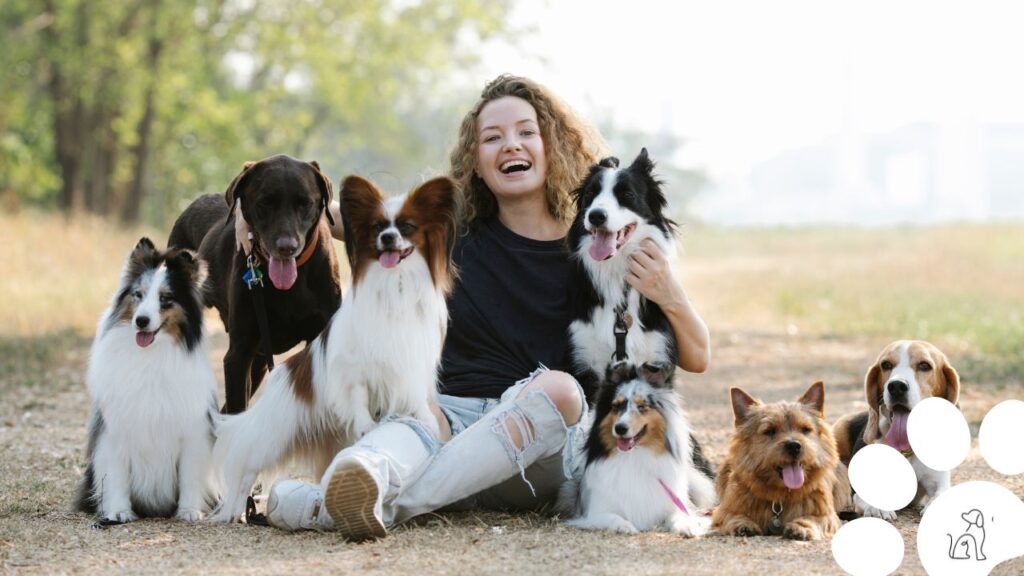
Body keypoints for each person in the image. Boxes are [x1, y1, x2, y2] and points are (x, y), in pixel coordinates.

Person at [254, 74, 711, 538]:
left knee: (560, 391)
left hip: (539, 444)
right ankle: (360, 483)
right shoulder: (446, 235)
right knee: (412, 416)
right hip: (445, 421)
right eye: (493, 138)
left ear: (550, 144)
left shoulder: (595, 249)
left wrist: (669, 291)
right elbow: (327, 213)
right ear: (475, 160)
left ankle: (323, 506)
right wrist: (250, 220)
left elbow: (697, 356)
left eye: (525, 132)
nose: (511, 145)